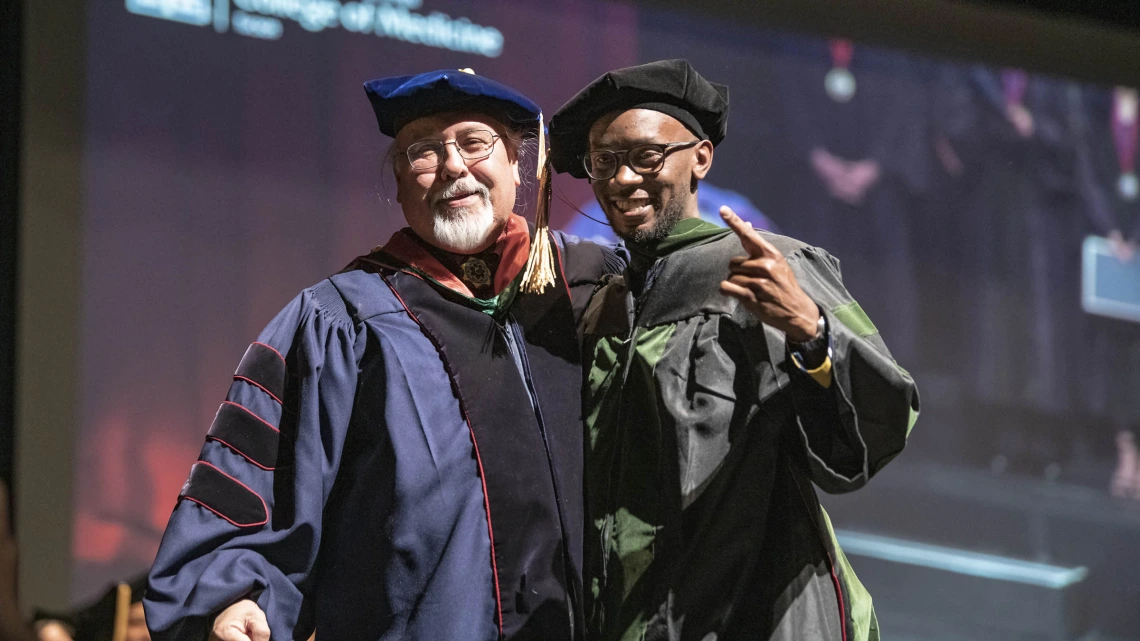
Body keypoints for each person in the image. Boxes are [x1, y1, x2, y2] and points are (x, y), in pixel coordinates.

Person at [145, 69, 623, 641]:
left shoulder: (588, 287)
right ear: (398, 179)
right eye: (423, 150)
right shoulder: (338, 321)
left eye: (474, 143)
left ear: (517, 162)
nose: (452, 166)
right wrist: (235, 595)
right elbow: (256, 477)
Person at [548, 59, 919, 641]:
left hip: (752, 616)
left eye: (646, 157)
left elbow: (871, 436)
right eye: (604, 162)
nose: (621, 180)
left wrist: (812, 334)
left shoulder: (763, 268)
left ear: (700, 158)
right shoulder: (604, 305)